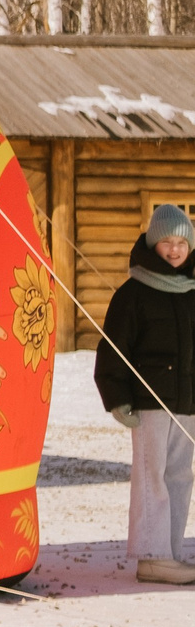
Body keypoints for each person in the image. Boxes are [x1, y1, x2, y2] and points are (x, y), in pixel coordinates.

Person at [95, 204, 195, 584]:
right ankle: (150, 556)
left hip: (187, 402)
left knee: (180, 475)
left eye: (181, 242)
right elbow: (112, 349)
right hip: (150, 403)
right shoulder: (133, 293)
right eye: (166, 242)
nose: (174, 249)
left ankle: (169, 553)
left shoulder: (191, 291)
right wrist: (116, 396)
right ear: (153, 245)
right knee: (151, 475)